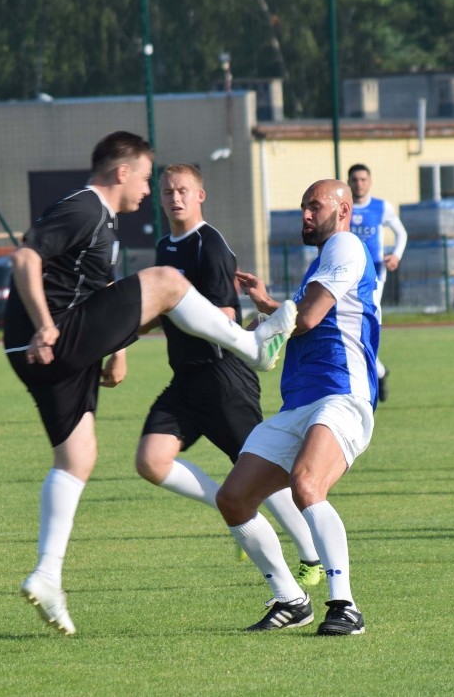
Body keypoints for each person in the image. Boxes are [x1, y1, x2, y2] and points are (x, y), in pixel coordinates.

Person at [4, 131, 298, 636]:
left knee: (77, 460)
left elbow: (97, 294)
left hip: (43, 353)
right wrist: (46, 324)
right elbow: (25, 258)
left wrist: (114, 347)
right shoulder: (86, 209)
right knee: (165, 280)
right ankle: (252, 347)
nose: (151, 190)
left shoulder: (107, 225)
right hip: (50, 338)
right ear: (123, 172)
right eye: (146, 178)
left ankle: (48, 576)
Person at [135, 163, 323, 586]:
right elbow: (159, 308)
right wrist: (122, 338)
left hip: (224, 378)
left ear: (201, 195)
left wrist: (171, 310)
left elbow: (225, 316)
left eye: (183, 190)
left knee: (262, 472)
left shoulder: (210, 245)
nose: (175, 198)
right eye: (167, 192)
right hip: (185, 379)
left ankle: (311, 556)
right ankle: (238, 510)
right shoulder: (166, 247)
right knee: (151, 461)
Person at [216, 179, 379, 636]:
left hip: (342, 395)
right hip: (300, 403)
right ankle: (291, 599)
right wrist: (265, 311)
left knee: (307, 484)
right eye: (302, 207)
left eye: (315, 206)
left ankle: (344, 606)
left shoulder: (346, 245)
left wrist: (267, 322)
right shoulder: (323, 261)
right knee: (234, 499)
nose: (305, 215)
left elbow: (305, 319)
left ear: (343, 210)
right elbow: (299, 314)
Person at [346, 163, 407, 402]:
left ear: (369, 181)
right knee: (352, 323)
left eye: (363, 179)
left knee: (367, 322)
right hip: (348, 274)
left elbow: (401, 233)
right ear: (349, 182)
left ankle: (372, 373)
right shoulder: (344, 208)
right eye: (355, 180)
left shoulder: (382, 207)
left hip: (375, 275)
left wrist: (396, 255)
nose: (359, 184)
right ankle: (379, 371)